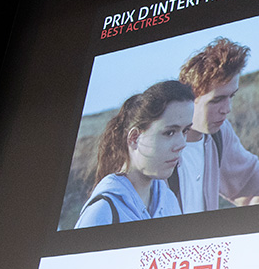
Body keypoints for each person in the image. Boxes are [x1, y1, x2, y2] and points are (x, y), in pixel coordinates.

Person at [173, 37, 259, 212]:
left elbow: (251, 183)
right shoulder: (155, 143)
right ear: (189, 98)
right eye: (217, 100)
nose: (227, 109)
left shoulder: (220, 133)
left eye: (231, 96)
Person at [75, 80, 194, 227]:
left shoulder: (169, 200)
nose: (182, 144)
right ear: (134, 138)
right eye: (169, 132)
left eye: (185, 131)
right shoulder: (102, 211)